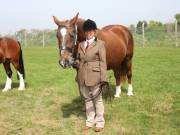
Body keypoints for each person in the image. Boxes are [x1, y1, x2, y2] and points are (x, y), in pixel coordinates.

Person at [75, 19, 107, 132]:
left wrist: (103, 78)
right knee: (87, 99)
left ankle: (100, 122)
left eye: (91, 31)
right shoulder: (80, 45)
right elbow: (79, 60)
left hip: (95, 76)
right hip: (82, 76)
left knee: (97, 100)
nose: (88, 33)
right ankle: (89, 121)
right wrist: (75, 63)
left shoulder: (100, 44)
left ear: (95, 31)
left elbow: (103, 62)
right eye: (86, 31)